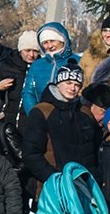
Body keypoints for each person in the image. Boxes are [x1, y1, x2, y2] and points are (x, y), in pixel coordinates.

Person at [21, 64, 102, 192]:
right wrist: (54, 178)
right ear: (58, 83)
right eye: (68, 82)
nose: (72, 88)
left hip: (85, 186)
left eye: (77, 84)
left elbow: (95, 150)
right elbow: (30, 153)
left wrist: (94, 179)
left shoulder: (85, 113)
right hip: (53, 187)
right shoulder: (42, 111)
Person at [21, 22, 80, 115]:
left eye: (52, 41)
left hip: (71, 116)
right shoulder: (37, 65)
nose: (49, 46)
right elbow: (28, 92)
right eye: (45, 43)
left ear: (62, 40)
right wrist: (34, 115)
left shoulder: (77, 61)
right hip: (43, 116)